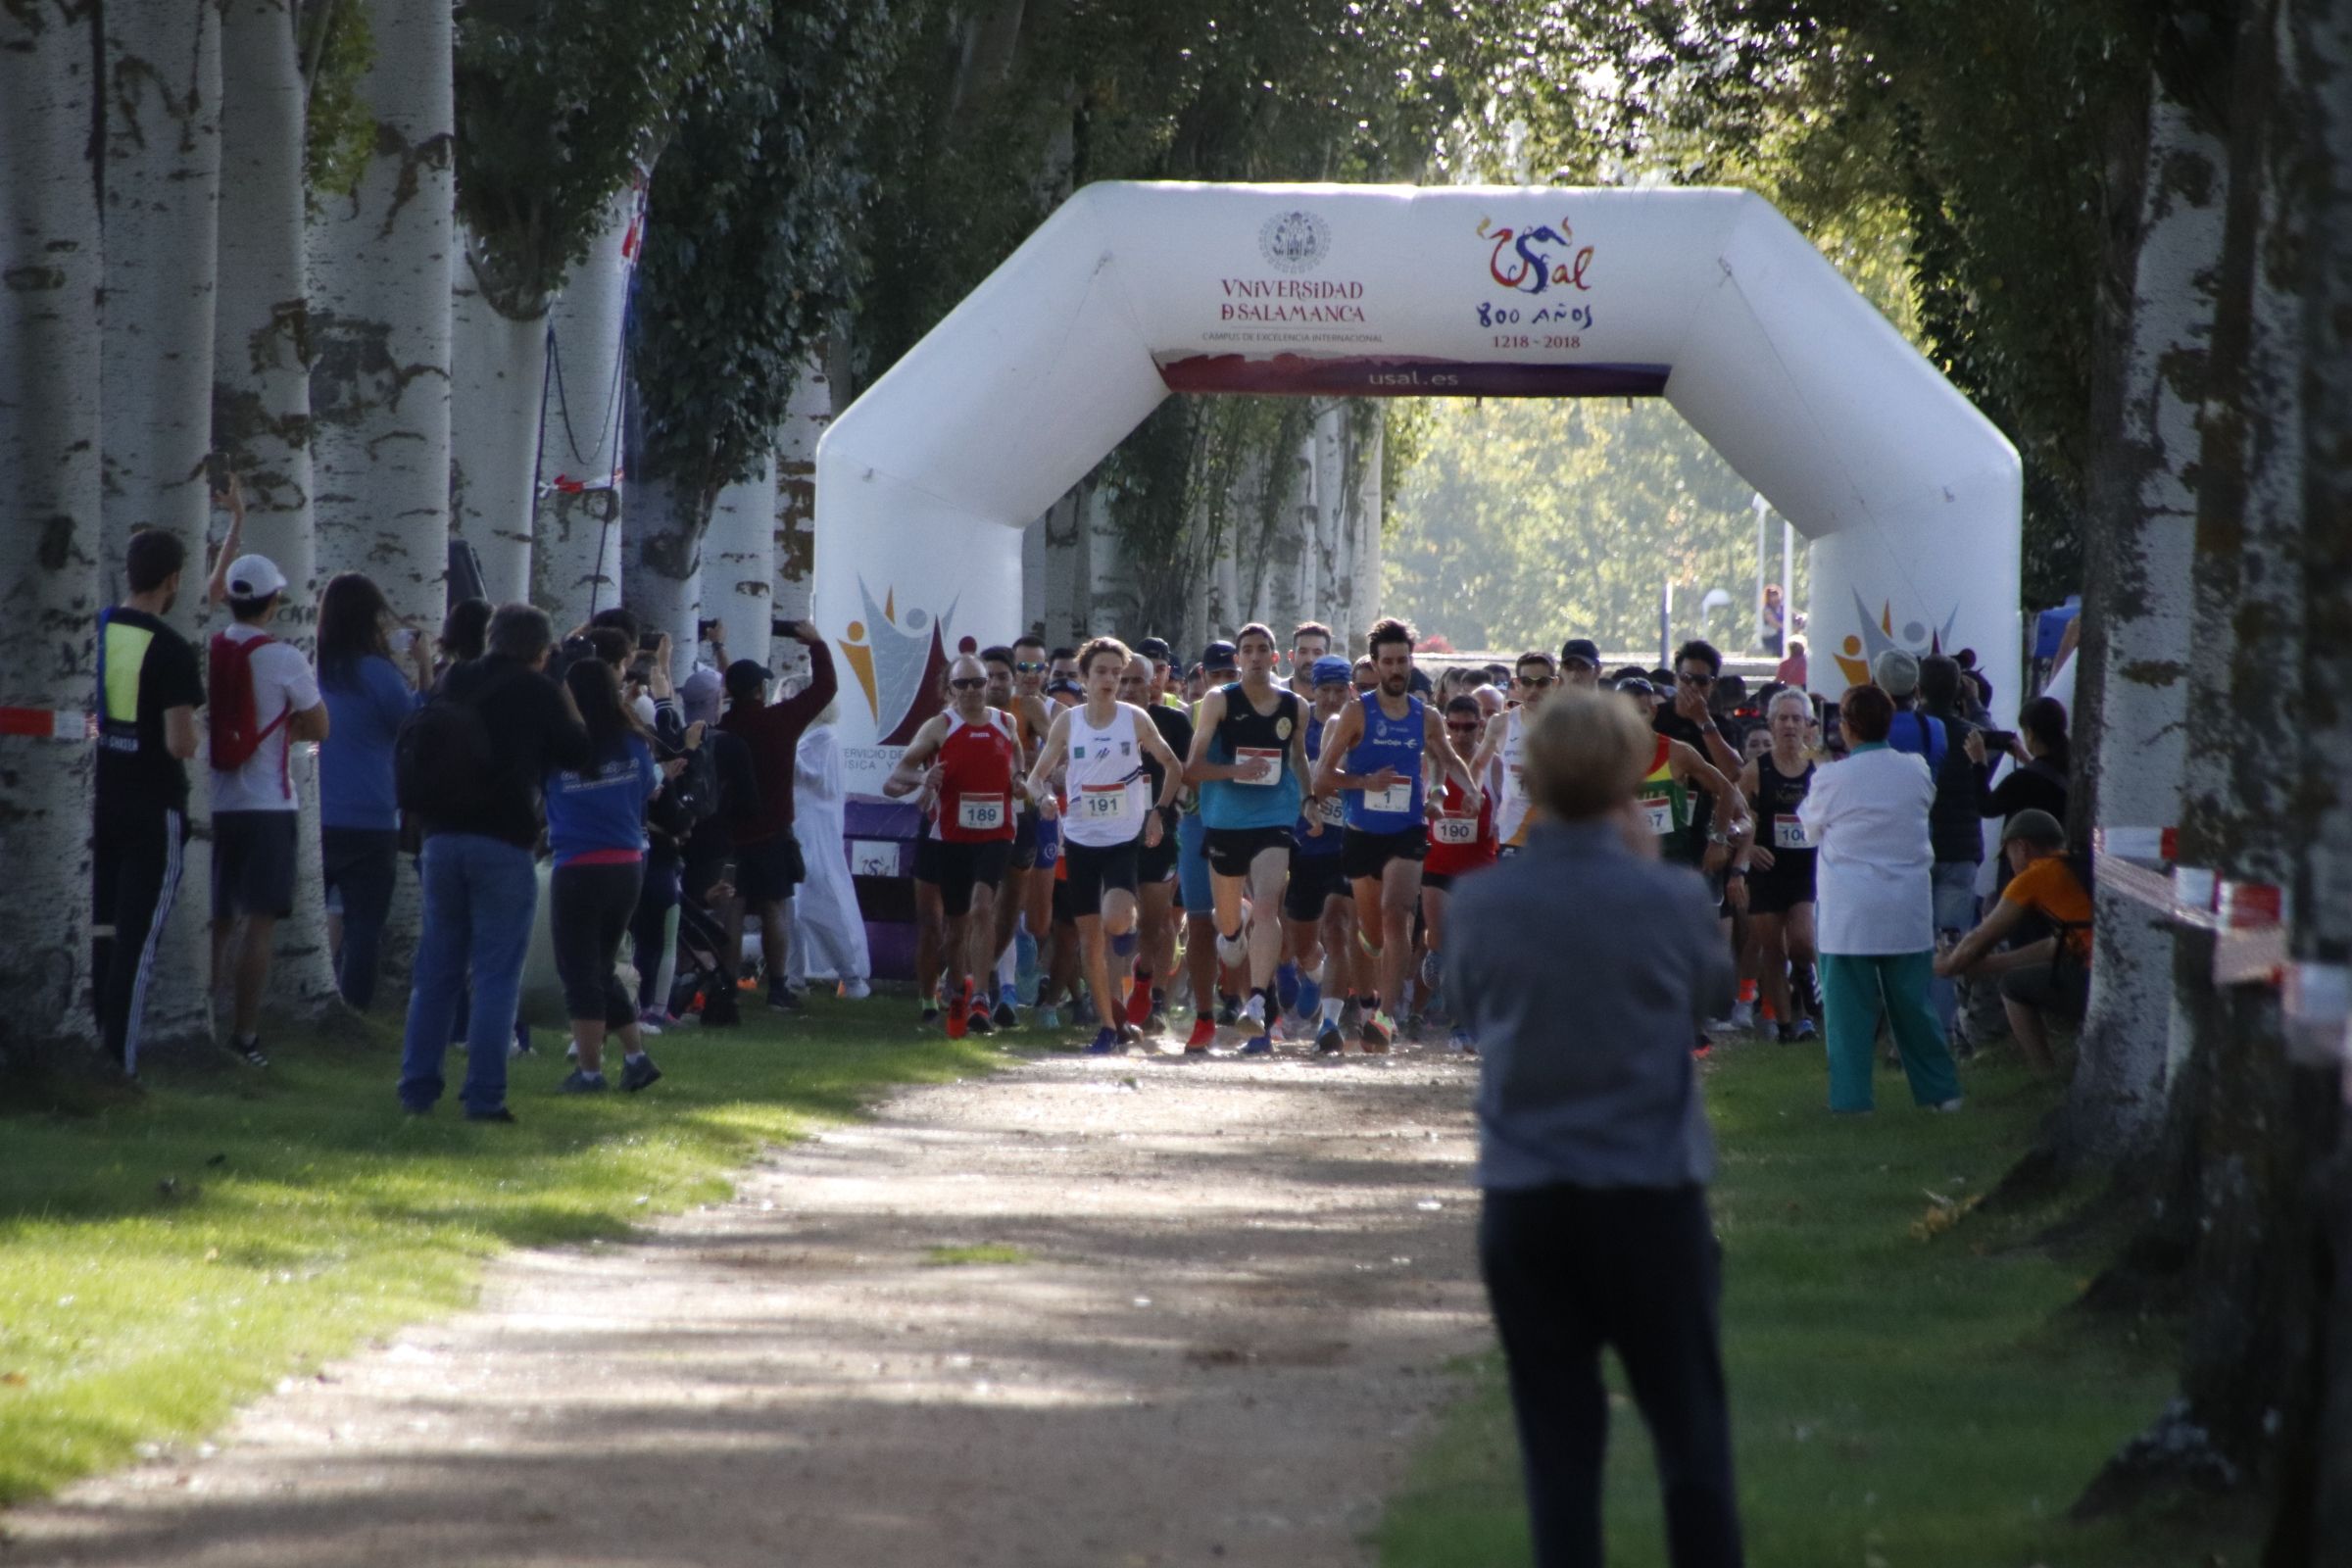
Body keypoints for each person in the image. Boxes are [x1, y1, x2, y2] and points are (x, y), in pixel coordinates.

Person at [1443, 689, 1742, 1568]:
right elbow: (1715, 997)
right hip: (1649, 1191)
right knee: (1691, 1435)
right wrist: (1648, 870)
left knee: (1558, 1447)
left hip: (1527, 1197)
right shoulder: (1673, 898)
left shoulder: (1482, 904)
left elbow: (1466, 1002)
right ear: (1627, 780)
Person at [397, 604, 592, 1120]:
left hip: (439, 838)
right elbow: (579, 752)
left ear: (491, 638)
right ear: (540, 650)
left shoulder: (454, 677)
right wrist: (561, 685)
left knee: (436, 970)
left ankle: (417, 1088)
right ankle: (483, 1096)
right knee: (495, 975)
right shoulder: (539, 692)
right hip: (503, 842)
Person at [1312, 617, 1481, 1052]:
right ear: (1375, 664)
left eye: (1402, 660)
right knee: (1370, 932)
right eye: (1387, 661)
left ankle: (1386, 1018)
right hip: (1362, 832)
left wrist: (1468, 790)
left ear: (1411, 662)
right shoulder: (1355, 711)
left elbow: (1447, 756)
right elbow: (1322, 776)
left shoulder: (1425, 716)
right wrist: (1364, 783)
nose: (1395, 668)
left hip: (1407, 830)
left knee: (1397, 912)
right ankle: (1371, 968)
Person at [1795, 685, 1963, 1114]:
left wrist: (1819, 769)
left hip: (1849, 911)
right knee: (1914, 1007)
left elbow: (1810, 826)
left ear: (1846, 727)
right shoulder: (1915, 769)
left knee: (1847, 1015)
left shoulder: (1831, 777)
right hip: (1905, 906)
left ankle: (1853, 1102)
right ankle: (1941, 1093)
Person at [1025, 636, 1183, 1054]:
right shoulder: (1068, 722)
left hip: (1121, 839)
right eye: (1102, 672)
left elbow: (1172, 765)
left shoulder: (1133, 720)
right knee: (1089, 938)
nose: (1111, 679)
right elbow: (1036, 777)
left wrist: (1158, 813)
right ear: (1083, 677)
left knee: (1115, 920)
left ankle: (1127, 929)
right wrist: (1042, 799)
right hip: (1079, 839)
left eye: (1117, 672)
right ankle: (1109, 1025)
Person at [208, 553, 330, 1068]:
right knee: (259, 923)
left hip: (216, 802)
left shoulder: (209, 646)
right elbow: (320, 726)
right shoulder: (283, 658)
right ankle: (246, 1033)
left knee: (217, 919)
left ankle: (201, 1021)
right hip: (269, 803)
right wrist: (290, 729)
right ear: (273, 600)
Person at [92, 530, 205, 1074]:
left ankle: (84, 1043)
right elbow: (180, 742)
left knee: (97, 931)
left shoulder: (96, 631)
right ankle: (121, 1065)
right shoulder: (171, 648)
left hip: (93, 800)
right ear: (173, 580)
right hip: (152, 807)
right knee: (135, 944)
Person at [545, 658, 673, 1094]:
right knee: (601, 965)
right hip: (627, 865)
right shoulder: (635, 743)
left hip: (579, 864)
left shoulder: (559, 746)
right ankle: (636, 1058)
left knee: (579, 970)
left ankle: (589, 1071)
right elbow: (644, 793)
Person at [1184, 622, 1312, 1055]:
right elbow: (1192, 767)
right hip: (1224, 818)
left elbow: (1298, 757)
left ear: (1275, 658)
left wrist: (1310, 799)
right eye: (1248, 651)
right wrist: (1234, 773)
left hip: (1275, 815)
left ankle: (1257, 1001)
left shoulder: (1296, 706)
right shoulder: (1218, 701)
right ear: (1238, 659)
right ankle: (1234, 936)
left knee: (1267, 904)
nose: (1256, 657)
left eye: (1263, 650)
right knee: (1229, 928)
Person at [887, 654, 1022, 1038]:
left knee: (984, 907)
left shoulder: (1005, 721)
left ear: (989, 685)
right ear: (950, 690)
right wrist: (924, 778)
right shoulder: (940, 726)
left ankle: (981, 995)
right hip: (952, 836)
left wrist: (1020, 778)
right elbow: (898, 773)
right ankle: (953, 991)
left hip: (997, 833)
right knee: (956, 925)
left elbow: (1017, 755)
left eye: (978, 682)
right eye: (962, 684)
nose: (972, 691)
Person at [315, 572, 428, 1011]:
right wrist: (423, 671)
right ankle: (353, 1008)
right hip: (371, 814)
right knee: (365, 926)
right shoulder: (379, 674)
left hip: (319, 811)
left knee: (318, 913)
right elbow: (413, 728)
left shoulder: (314, 667)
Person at [715, 620, 838, 1012]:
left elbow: (730, 689)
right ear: (761, 690)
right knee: (774, 908)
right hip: (772, 832)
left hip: (731, 833)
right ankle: (778, 987)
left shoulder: (723, 728)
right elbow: (824, 689)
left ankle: (727, 986)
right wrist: (817, 645)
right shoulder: (779, 721)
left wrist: (719, 650)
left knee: (732, 909)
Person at [1933, 808, 2089, 1073]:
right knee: (2018, 977)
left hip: (2090, 976)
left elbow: (1983, 935)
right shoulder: (2075, 865)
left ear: (2021, 847)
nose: (2010, 864)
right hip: (2104, 969)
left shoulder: (2034, 876)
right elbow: (2055, 946)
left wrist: (1948, 964)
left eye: (2008, 854)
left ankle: (2044, 1073)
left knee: (2013, 986)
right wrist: (1988, 965)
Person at [1735, 690, 1821, 1044]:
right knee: (1772, 949)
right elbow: (1734, 819)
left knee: (1801, 942)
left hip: (1806, 868)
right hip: (1768, 869)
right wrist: (1750, 847)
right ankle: (1786, 1027)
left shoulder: (1820, 769)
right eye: (1782, 719)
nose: (1789, 725)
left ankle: (1806, 979)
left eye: (1796, 719)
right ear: (1771, 724)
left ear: (1808, 726)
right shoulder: (1756, 770)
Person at [1286, 656, 1357, 1054]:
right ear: (1312, 690)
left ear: (1349, 690)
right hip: (1304, 843)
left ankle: (1330, 1023)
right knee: (1303, 944)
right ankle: (1315, 974)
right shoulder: (1300, 726)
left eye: (1338, 690)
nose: (1331, 697)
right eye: (1324, 689)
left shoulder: (1357, 725)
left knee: (1337, 926)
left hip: (1346, 844)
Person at [1120, 652, 1194, 1035]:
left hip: (1159, 832)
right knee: (1113, 918)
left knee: (1157, 921)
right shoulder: (1101, 721)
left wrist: (1165, 812)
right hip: (1113, 833)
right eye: (1125, 680)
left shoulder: (1172, 722)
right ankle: (1115, 1002)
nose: (1132, 688)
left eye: (1140, 680)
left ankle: (1156, 994)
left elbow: (1185, 772)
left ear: (1158, 683)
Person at [1420, 694, 1497, 1051]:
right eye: (1453, 726)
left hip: (1479, 872)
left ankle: (1461, 1024)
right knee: (1440, 942)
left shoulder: (1493, 767)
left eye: (1470, 727)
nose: (1461, 734)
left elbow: (1505, 816)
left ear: (1482, 726)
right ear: (1444, 727)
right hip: (1436, 868)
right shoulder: (1430, 763)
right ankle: (1432, 953)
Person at [788, 702, 872, 999]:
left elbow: (809, 776)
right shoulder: (813, 737)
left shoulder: (822, 738)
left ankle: (850, 975)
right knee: (795, 907)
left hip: (814, 834)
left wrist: (782, 749)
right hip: (805, 829)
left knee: (814, 903)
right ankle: (794, 978)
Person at [1473, 650, 1562, 858]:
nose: (1534, 690)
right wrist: (1473, 792)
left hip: (1557, 836)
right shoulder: (1501, 724)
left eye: (1542, 683)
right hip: (1513, 834)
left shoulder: (1571, 726)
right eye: (1527, 682)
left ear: (1555, 684)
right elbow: (1478, 765)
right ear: (1516, 684)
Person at [1970, 694, 2070, 826]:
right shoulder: (2071, 767)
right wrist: (2028, 760)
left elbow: (1987, 807)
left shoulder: (2022, 780)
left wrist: (1979, 763)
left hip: (2027, 845)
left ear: (2030, 733)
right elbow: (2046, 778)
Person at [1760, 582, 1786, 657]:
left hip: (1781, 635)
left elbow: (1794, 615)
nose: (1775, 598)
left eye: (1776, 595)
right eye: (1772, 596)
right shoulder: (1767, 610)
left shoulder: (1782, 608)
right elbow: (1774, 624)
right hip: (1771, 638)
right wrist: (1788, 628)